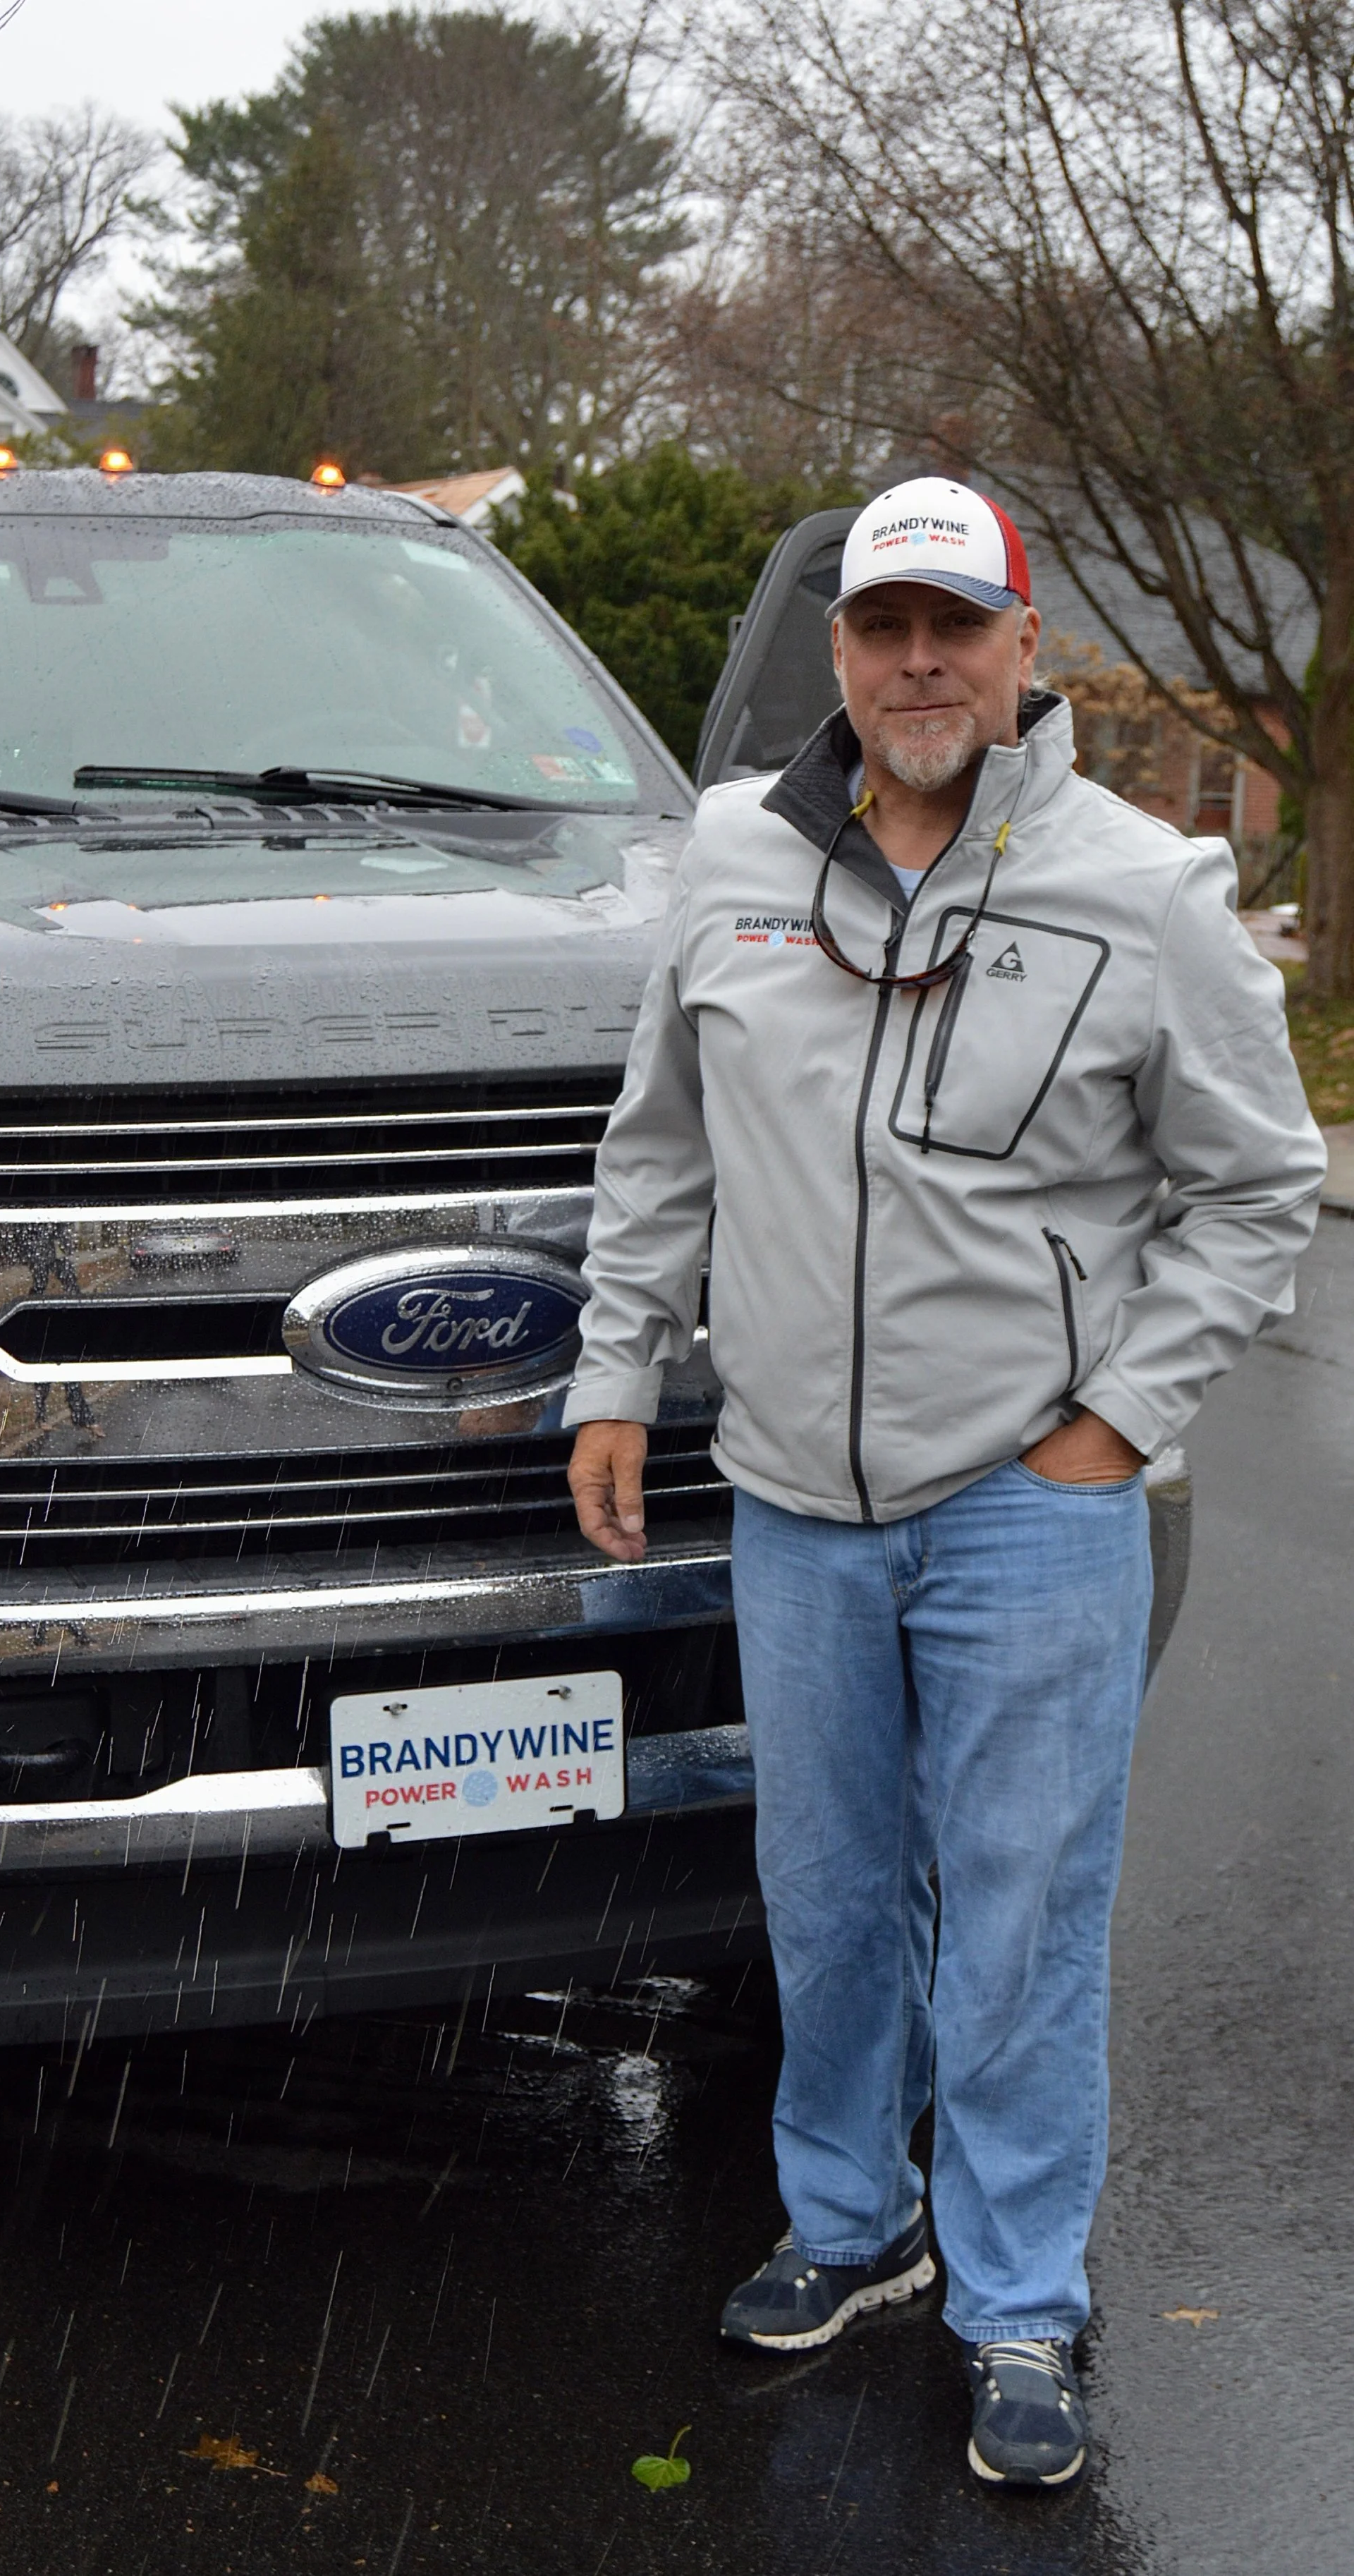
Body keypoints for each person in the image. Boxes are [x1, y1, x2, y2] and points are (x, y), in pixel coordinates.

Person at [564, 477, 1324, 2489]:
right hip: (795, 1499)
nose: (916, 663)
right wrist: (614, 1371)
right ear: (835, 649)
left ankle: (1016, 2299)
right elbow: (659, 1147)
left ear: (1021, 647)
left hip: (1025, 1499)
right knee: (820, 1904)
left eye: (954, 628)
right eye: (882, 626)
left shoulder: (1141, 888)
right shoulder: (729, 863)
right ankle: (849, 2223)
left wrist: (1114, 1417)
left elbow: (1258, 1188)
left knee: (1014, 1917)